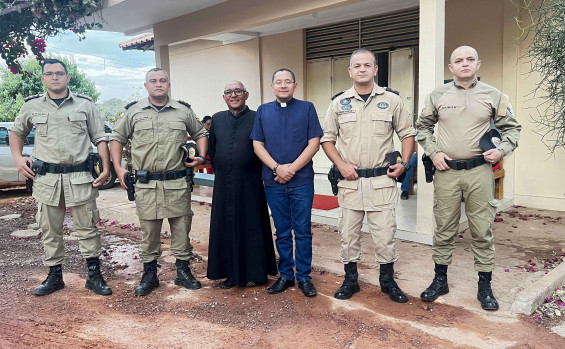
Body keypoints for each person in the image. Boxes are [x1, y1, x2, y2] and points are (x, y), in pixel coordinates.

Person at [416, 46, 522, 311]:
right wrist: (434, 152)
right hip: (446, 172)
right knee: (443, 228)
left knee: (482, 229)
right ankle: (440, 280)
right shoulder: (438, 95)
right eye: (459, 61)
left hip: (479, 172)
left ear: (478, 64)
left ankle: (484, 286)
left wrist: (501, 150)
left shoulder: (493, 95)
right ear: (451, 67)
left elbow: (512, 128)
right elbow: (423, 127)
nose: (465, 64)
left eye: (470, 59)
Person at [9, 58, 112, 296]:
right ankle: (55, 277)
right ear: (43, 78)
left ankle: (94, 276)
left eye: (59, 73)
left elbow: (100, 137)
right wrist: (18, 158)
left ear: (67, 78)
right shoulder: (31, 106)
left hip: (79, 177)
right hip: (47, 180)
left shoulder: (85, 105)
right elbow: (16, 133)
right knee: (49, 229)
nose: (54, 77)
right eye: (49, 74)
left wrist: (106, 167)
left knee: (88, 227)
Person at [321, 48, 415, 303]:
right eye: (357, 65)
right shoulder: (339, 103)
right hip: (350, 182)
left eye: (367, 65)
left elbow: (407, 134)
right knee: (348, 236)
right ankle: (351, 280)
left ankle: (388, 281)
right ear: (350, 71)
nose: (362, 69)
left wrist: (405, 164)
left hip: (381, 181)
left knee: (385, 236)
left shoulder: (392, 100)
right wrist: (340, 164)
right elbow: (327, 139)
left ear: (375, 69)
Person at [109, 68, 208, 296]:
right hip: (147, 184)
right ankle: (149, 275)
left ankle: (183, 272)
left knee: (182, 229)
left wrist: (201, 157)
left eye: (162, 80)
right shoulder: (134, 112)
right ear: (146, 86)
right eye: (153, 81)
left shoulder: (183, 111)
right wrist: (117, 167)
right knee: (149, 232)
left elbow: (201, 133)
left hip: (177, 181)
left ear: (169, 84)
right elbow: (116, 138)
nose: (158, 84)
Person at [250, 68, 323, 297]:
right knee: (282, 231)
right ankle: (286, 276)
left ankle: (304, 277)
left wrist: (290, 169)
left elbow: (314, 143)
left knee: (302, 230)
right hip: (273, 181)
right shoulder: (263, 111)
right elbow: (257, 144)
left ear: (295, 85)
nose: (283, 85)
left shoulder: (307, 108)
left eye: (288, 82)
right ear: (272, 87)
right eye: (279, 82)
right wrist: (276, 168)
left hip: (301, 181)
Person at [206, 81, 277, 288]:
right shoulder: (217, 119)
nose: (233, 95)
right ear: (224, 97)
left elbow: (265, 146)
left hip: (250, 184)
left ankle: (255, 273)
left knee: (251, 226)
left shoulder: (258, 117)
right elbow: (213, 149)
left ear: (246, 95)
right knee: (225, 227)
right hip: (223, 184)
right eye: (228, 92)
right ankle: (230, 273)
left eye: (238, 91)